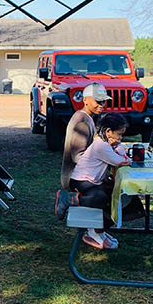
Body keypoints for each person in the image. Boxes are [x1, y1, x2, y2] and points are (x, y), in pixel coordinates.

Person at [68, 113, 133, 250]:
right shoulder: (101, 146)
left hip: (91, 182)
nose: (120, 138)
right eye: (119, 134)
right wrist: (120, 148)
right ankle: (70, 200)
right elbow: (122, 161)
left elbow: (120, 158)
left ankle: (99, 230)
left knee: (116, 196)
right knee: (101, 198)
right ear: (108, 131)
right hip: (81, 181)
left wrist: (117, 147)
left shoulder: (105, 144)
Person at [54, 83, 107, 219]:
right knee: (101, 198)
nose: (101, 105)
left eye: (103, 101)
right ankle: (67, 199)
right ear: (85, 100)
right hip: (75, 176)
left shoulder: (88, 118)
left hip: (85, 174)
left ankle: (100, 228)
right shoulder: (82, 122)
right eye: (98, 101)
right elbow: (78, 157)